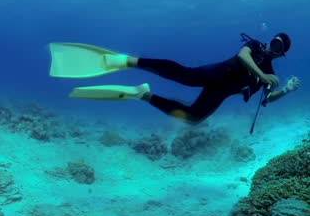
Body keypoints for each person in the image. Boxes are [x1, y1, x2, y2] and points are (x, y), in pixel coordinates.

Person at [49, 33, 301, 124]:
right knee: (184, 75)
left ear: (282, 54)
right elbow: (242, 56)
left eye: (278, 48)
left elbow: (266, 100)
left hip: (220, 92)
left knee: (193, 118)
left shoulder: (271, 73)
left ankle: (143, 94)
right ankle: (127, 61)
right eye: (274, 42)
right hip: (217, 73)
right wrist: (262, 74)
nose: (272, 47)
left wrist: (286, 89)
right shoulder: (255, 46)